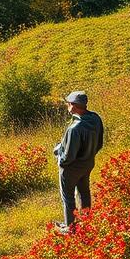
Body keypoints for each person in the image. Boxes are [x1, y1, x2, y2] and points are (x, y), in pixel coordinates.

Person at [53, 90, 103, 232]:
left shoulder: (74, 129)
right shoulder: (95, 119)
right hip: (88, 163)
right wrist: (89, 155)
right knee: (84, 191)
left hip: (71, 168)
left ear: (74, 106)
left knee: (68, 196)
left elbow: (68, 156)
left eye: (68, 103)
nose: (67, 106)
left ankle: (70, 228)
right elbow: (99, 143)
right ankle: (86, 222)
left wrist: (59, 159)